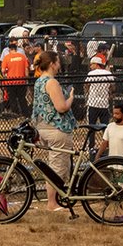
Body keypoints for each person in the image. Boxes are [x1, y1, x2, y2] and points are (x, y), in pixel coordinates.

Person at [29, 51, 78, 205]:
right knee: (58, 168)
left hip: (42, 127)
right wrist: (70, 98)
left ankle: (59, 198)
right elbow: (61, 107)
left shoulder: (39, 81)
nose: (59, 65)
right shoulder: (51, 82)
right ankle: (52, 203)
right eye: (58, 62)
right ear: (52, 64)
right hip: (57, 128)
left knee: (56, 165)